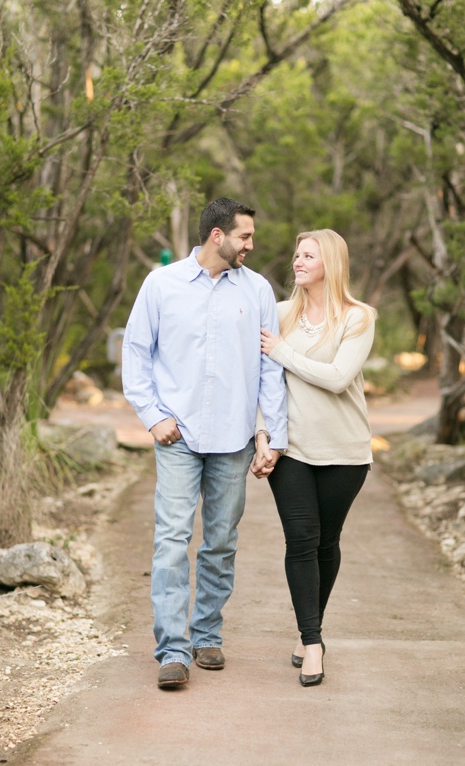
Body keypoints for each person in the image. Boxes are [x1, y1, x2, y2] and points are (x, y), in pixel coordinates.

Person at [122, 197, 289, 689]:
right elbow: (136, 354)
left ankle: (207, 634)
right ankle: (172, 651)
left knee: (220, 542)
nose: (250, 245)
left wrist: (270, 435)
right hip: (178, 436)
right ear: (217, 235)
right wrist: (153, 417)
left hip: (234, 439)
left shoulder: (257, 290)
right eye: (245, 236)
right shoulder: (162, 284)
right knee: (172, 541)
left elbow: (270, 369)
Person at [255, 229, 376, 687]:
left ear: (331, 262)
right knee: (301, 541)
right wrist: (262, 434)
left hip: (345, 450)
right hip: (292, 450)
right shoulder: (280, 314)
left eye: (309, 254)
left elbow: (339, 377)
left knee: (327, 543)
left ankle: (311, 628)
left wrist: (283, 351)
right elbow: (262, 384)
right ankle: (311, 644)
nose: (298, 261)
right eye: (297, 254)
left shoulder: (358, 317)